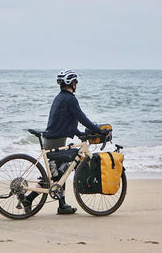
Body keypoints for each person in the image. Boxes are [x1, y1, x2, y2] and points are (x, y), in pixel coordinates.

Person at [23, 69, 108, 215]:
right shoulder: (70, 99)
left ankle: (57, 205)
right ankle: (33, 200)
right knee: (58, 175)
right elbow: (81, 117)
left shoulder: (60, 97)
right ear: (71, 83)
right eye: (75, 82)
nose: (76, 85)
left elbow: (65, 121)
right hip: (55, 141)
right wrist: (98, 130)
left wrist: (79, 133)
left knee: (59, 173)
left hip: (53, 139)